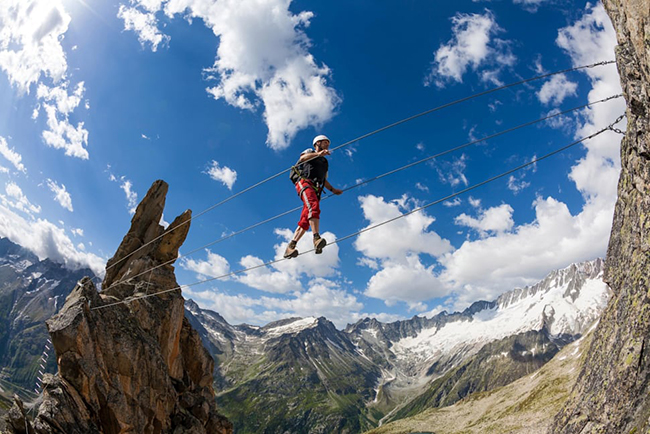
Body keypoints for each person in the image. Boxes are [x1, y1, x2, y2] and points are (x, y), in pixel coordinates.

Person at [284, 134, 343, 258]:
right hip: (305, 182)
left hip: (316, 188)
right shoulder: (309, 152)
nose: (327, 144)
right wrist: (318, 154)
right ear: (317, 144)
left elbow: (323, 180)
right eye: (324, 142)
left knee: (306, 220)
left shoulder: (324, 162)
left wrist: (333, 190)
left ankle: (291, 246)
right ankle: (316, 238)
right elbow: (303, 158)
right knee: (313, 206)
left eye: (328, 142)